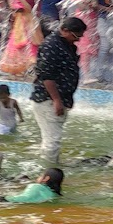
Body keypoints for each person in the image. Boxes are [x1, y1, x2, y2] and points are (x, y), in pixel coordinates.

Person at [31, 17, 85, 166]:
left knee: (50, 139)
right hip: (48, 100)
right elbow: (47, 76)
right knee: (52, 141)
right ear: (65, 30)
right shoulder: (51, 45)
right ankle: (48, 173)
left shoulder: (65, 44)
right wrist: (57, 100)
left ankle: (49, 167)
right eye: (76, 36)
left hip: (57, 99)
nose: (77, 40)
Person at [0, 0, 41, 77]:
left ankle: (25, 68)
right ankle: (22, 68)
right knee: (23, 44)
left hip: (27, 20)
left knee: (26, 43)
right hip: (23, 21)